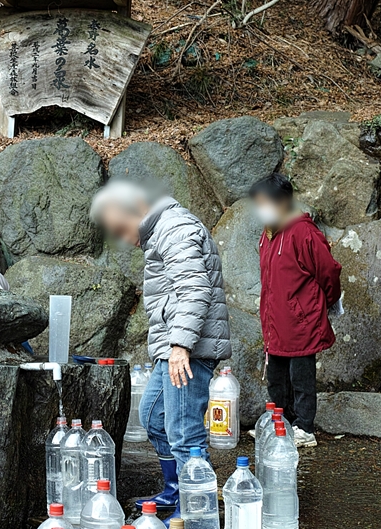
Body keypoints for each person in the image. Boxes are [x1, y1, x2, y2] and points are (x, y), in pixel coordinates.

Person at [90, 180, 230, 517]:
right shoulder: (160, 232)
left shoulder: (174, 228)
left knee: (185, 434)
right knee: (153, 416)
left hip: (188, 351)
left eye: (122, 228)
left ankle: (198, 509)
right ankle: (175, 488)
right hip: (174, 350)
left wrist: (181, 344)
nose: (125, 238)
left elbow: (195, 289)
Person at [249, 173, 341, 449]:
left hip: (301, 319)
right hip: (276, 318)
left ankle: (304, 427)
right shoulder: (268, 234)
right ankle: (279, 422)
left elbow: (328, 271)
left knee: (301, 377)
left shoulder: (303, 231)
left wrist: (325, 302)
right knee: (276, 375)